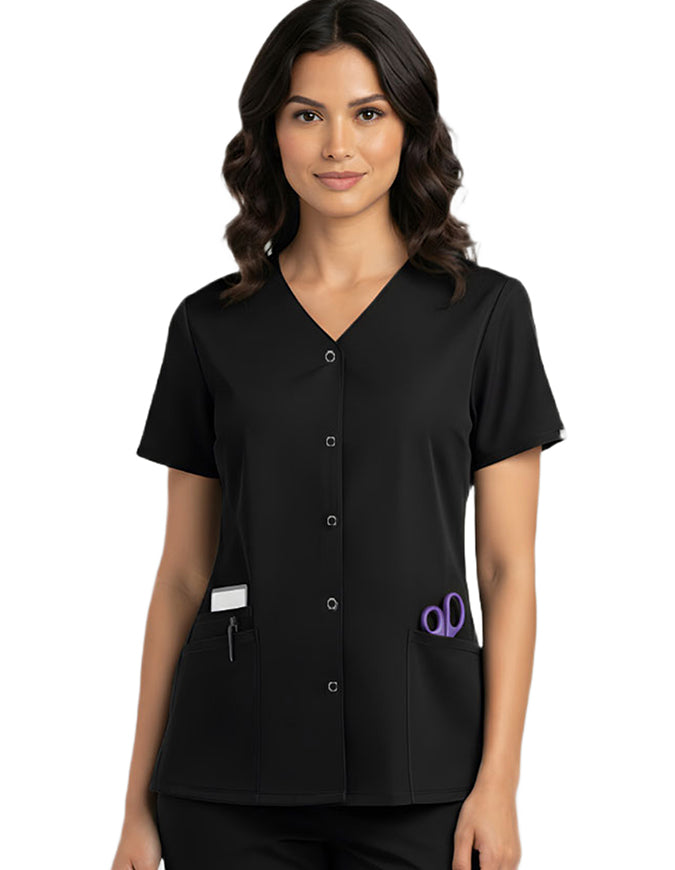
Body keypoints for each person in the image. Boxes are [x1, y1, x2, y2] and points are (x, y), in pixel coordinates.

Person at [110, 1, 566, 869]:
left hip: (424, 776)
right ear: (270, 132)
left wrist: (498, 784)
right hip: (227, 778)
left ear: (408, 127)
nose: (336, 147)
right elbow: (182, 576)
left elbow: (506, 570)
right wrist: (137, 803)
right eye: (306, 114)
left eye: (366, 113)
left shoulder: (486, 315)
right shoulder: (210, 326)